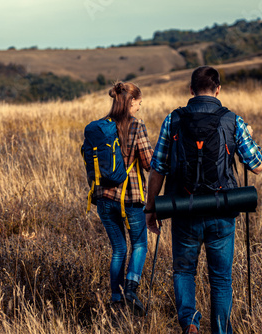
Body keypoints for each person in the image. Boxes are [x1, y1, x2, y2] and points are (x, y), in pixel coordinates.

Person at [144, 66, 262, 334]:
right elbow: (256, 164)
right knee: (221, 279)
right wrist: (249, 137)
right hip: (222, 210)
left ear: (191, 90)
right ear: (218, 89)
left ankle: (190, 324)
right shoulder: (233, 120)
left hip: (183, 209)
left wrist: (150, 209)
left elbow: (158, 168)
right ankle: (220, 330)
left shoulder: (173, 120)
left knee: (184, 272)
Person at [92, 81, 153, 316]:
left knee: (118, 249)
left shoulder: (101, 127)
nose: (140, 105)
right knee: (139, 245)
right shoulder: (136, 126)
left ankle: (116, 299)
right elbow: (149, 164)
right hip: (131, 198)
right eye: (138, 102)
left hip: (104, 198)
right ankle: (131, 289)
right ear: (130, 102)